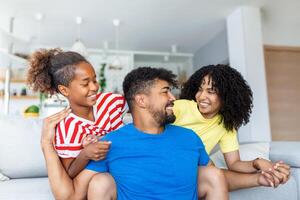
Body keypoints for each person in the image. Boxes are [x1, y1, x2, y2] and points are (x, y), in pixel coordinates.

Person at [40, 67, 228, 200]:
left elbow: (219, 179)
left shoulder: (189, 137)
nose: (173, 98)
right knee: (100, 182)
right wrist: (47, 145)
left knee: (214, 174)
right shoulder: (109, 144)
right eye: (165, 92)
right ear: (141, 100)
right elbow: (71, 196)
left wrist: (254, 177)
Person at [28, 48, 126, 199]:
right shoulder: (67, 128)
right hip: (101, 183)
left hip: (126, 169)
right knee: (101, 181)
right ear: (65, 90)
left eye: (94, 80)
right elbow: (69, 174)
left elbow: (141, 108)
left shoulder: (110, 102)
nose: (94, 87)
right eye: (85, 83)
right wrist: (85, 154)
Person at [173, 64, 291, 190]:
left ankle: (264, 178)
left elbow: (234, 164)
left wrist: (258, 162)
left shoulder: (226, 125)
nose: (201, 96)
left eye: (211, 91)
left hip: (190, 172)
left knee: (214, 174)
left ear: (226, 97)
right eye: (200, 89)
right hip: (165, 163)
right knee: (212, 173)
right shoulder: (181, 107)